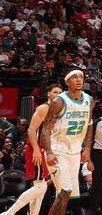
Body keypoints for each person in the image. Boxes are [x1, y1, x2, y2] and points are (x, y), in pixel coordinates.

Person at [0, 84, 62, 215]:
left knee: (40, 187)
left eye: (60, 92)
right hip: (37, 149)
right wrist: (36, 150)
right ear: (49, 94)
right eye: (55, 92)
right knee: (41, 186)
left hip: (46, 151)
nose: (58, 94)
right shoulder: (43, 108)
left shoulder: (57, 111)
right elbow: (31, 130)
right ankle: (9, 213)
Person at [41, 70, 95, 215]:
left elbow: (89, 124)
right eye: (74, 77)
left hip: (75, 152)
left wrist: (87, 149)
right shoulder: (59, 102)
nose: (78, 80)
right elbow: (45, 130)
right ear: (67, 82)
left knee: (69, 195)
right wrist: (49, 152)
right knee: (65, 191)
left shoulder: (89, 100)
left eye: (81, 77)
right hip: (58, 151)